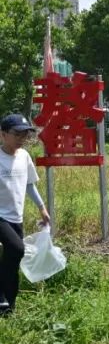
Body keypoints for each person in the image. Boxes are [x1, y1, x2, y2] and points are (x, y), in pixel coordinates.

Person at [0, 114, 51, 316]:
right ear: (3, 134)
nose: (21, 138)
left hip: (15, 217)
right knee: (17, 248)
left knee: (13, 261)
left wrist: (42, 207)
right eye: (17, 134)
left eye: (25, 134)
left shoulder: (24, 157)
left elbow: (29, 184)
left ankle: (8, 306)